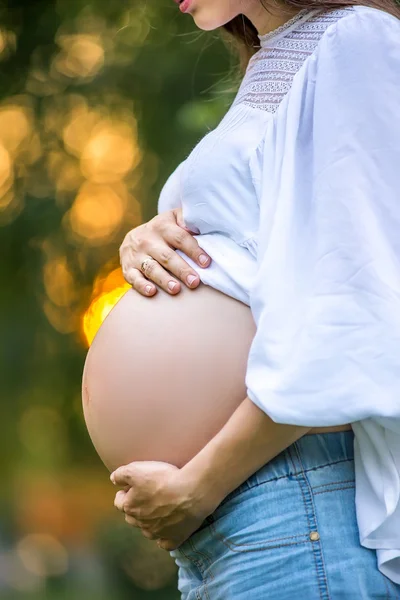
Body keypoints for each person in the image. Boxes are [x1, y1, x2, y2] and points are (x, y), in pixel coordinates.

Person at [111, 0, 400, 597]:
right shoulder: (275, 62)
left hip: (288, 494)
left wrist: (198, 486)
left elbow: (347, 316)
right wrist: (145, 238)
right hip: (245, 508)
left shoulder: (356, 41)